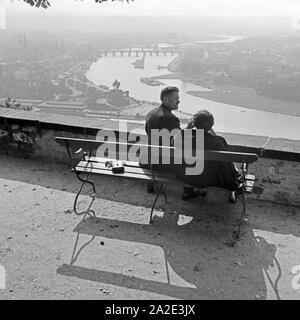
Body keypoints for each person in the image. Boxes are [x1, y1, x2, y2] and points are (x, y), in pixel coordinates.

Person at [175, 109, 242, 193]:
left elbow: (174, 140)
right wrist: (210, 129)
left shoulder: (184, 138)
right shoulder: (218, 142)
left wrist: (187, 128)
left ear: (194, 123)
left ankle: (188, 192)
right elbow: (225, 163)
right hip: (210, 179)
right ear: (211, 125)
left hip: (188, 177)